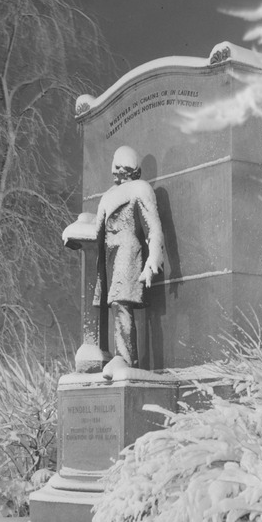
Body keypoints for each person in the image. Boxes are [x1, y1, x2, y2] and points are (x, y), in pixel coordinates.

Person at [92, 145, 164, 370]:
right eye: (117, 168)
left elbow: (153, 227)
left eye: (123, 168)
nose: (119, 172)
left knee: (120, 302)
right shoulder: (107, 196)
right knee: (113, 304)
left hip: (128, 251)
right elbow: (96, 233)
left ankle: (125, 360)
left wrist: (154, 257)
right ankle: (116, 358)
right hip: (108, 257)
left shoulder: (140, 189)